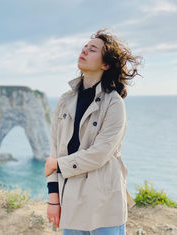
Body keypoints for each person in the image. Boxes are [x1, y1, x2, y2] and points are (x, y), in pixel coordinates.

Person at [45, 29, 142, 234]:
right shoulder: (64, 101)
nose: (84, 50)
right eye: (85, 47)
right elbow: (54, 152)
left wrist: (60, 165)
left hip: (104, 204)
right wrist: (53, 199)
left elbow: (100, 153)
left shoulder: (114, 103)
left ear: (105, 64)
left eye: (92, 49)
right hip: (70, 201)